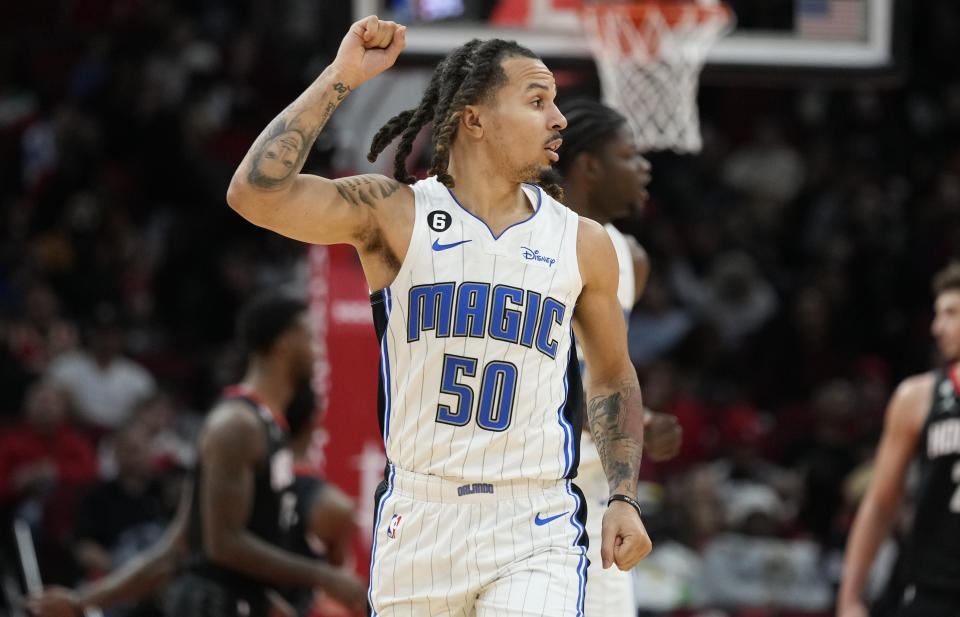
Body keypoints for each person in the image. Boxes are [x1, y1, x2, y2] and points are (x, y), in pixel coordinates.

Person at [226, 16, 652, 616]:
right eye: (537, 100)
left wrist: (625, 496)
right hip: (420, 516)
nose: (559, 118)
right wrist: (341, 77)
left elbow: (612, 374)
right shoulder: (393, 214)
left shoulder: (583, 243)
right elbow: (254, 195)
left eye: (556, 102)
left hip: (533, 519)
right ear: (474, 119)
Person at [27, 292, 365, 617]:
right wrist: (324, 576)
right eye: (309, 337)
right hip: (214, 606)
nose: (317, 350)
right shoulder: (236, 424)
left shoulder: (268, 427)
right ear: (283, 343)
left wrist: (81, 601)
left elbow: (179, 547)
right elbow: (222, 544)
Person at [556, 98, 681, 617]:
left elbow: (605, 373)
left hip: (601, 493)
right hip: (532, 485)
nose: (644, 166)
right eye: (629, 155)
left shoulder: (632, 257)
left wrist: (638, 420)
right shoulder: (539, 242)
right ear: (588, 165)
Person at [836, 262, 960, 617]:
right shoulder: (916, 397)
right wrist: (850, 599)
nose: (937, 327)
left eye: (951, 313)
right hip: (930, 590)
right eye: (937, 314)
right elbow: (879, 502)